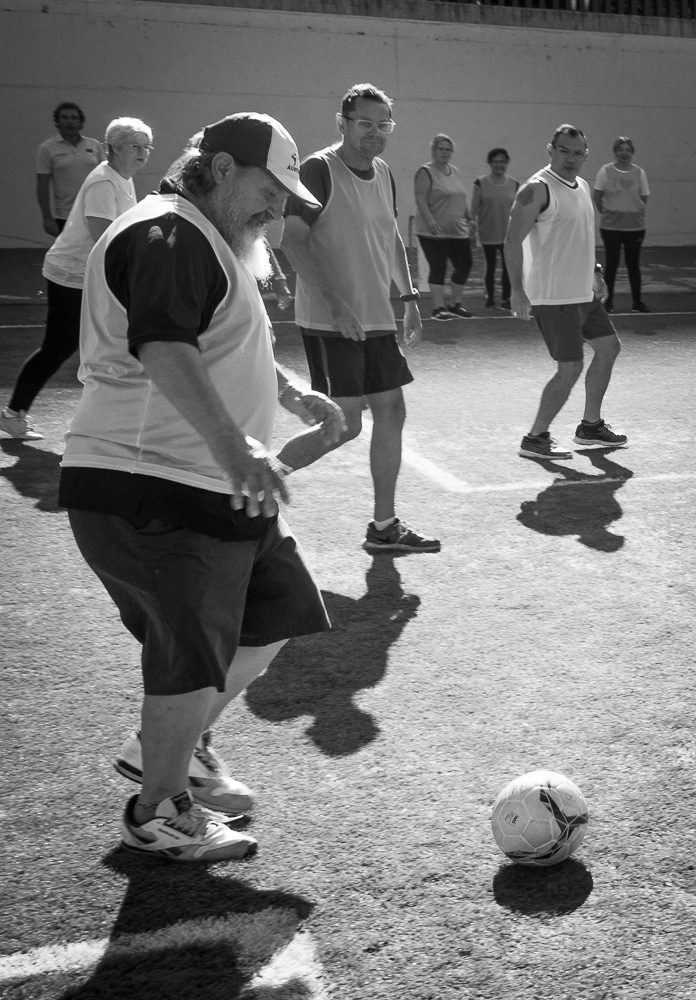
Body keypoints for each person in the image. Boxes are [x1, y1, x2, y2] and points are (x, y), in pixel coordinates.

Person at [58, 112, 344, 862]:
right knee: (190, 653)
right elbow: (162, 343)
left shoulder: (209, 241)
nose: (277, 210)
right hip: (152, 480)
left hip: (206, 482)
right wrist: (235, 446)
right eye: (268, 190)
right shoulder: (169, 232)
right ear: (219, 168)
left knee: (275, 614)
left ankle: (167, 745)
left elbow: (218, 339)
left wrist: (289, 394)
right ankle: (157, 808)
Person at [279, 82, 440, 554]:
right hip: (332, 321)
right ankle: (254, 481)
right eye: (364, 124)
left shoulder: (384, 171)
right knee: (344, 425)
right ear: (342, 123)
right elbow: (292, 240)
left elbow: (390, 238)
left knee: (392, 410)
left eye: (382, 124)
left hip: (376, 318)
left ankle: (384, 526)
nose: (374, 133)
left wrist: (408, 298)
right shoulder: (318, 168)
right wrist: (336, 305)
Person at [1, 118, 153, 442]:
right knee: (60, 347)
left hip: (92, 274)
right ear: (112, 148)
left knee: (99, 345)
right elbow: (106, 241)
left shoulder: (122, 179)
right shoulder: (103, 182)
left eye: (146, 147)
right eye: (135, 146)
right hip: (72, 274)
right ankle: (13, 415)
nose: (143, 153)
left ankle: (117, 422)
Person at [504, 124, 628, 460]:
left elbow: (580, 235)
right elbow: (512, 241)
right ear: (550, 150)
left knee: (608, 348)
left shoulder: (583, 185)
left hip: (582, 293)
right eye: (564, 151)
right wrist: (517, 290)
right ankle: (535, 437)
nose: (571, 158)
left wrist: (595, 271)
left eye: (577, 152)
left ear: (586, 155)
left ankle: (590, 427)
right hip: (553, 296)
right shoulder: (536, 189)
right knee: (570, 367)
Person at [413, 133, 474, 320]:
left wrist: (469, 218)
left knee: (465, 265)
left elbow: (460, 196)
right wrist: (430, 220)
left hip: (457, 231)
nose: (444, 152)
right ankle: (438, 308)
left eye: (448, 149)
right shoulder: (425, 171)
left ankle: (455, 304)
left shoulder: (454, 171)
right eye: (441, 148)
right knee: (438, 267)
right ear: (433, 150)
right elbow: (421, 198)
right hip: (433, 232)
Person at [593, 137, 650, 313]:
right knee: (612, 264)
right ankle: (608, 302)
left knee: (633, 264)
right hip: (611, 227)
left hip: (635, 227)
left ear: (632, 152)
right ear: (615, 152)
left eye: (627, 150)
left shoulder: (639, 172)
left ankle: (637, 302)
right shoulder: (605, 171)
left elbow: (644, 196)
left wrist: (631, 210)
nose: (624, 153)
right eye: (621, 149)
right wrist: (609, 212)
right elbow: (597, 195)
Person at [36, 102, 105, 237]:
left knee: (95, 255)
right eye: (65, 118)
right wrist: (47, 217)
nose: (69, 122)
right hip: (67, 215)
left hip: (96, 212)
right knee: (69, 257)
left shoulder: (95, 145)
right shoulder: (47, 148)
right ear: (57, 122)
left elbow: (107, 177)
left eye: (74, 118)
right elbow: (42, 187)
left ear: (81, 123)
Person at [470, 148, 519, 310]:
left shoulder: (514, 184)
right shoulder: (480, 183)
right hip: (488, 232)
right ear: (490, 163)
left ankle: (506, 298)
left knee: (507, 267)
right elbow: (473, 210)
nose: (499, 165)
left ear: (507, 163)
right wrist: (471, 228)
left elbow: (519, 211)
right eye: (496, 161)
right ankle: (490, 297)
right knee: (490, 267)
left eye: (502, 161)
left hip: (508, 234)